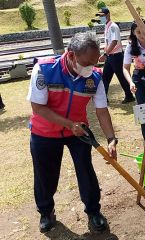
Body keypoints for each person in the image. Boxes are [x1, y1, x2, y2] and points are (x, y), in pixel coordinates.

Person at [27, 32, 117, 233]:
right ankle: (46, 212)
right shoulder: (44, 69)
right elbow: (38, 108)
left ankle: (94, 212)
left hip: (78, 133)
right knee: (45, 175)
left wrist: (112, 139)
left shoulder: (95, 77)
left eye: (94, 63)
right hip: (44, 132)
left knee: (86, 171)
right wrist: (69, 124)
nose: (90, 68)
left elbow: (101, 111)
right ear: (70, 55)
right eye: (86, 63)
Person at [97, 7, 135, 104]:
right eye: (100, 16)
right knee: (105, 77)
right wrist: (106, 51)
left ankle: (129, 96)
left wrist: (105, 54)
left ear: (108, 15)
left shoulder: (113, 26)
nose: (101, 18)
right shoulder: (107, 26)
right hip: (111, 56)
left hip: (116, 57)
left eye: (102, 16)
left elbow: (114, 42)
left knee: (122, 77)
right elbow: (110, 42)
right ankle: (104, 98)